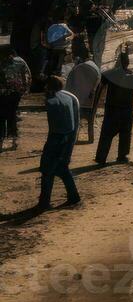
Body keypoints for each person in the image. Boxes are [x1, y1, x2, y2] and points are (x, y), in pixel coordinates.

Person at [94, 49, 133, 165]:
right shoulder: (132, 76)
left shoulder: (109, 74)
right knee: (125, 135)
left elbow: (98, 90)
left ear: (117, 62)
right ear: (128, 63)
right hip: (126, 111)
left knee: (106, 135)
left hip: (111, 110)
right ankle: (122, 157)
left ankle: (101, 158)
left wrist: (94, 108)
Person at [38, 75, 81, 209]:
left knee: (47, 171)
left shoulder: (51, 101)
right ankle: (73, 196)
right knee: (62, 168)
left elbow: (54, 124)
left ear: (49, 87)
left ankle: (44, 202)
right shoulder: (67, 97)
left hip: (56, 138)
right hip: (68, 136)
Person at [65, 54, 100, 144]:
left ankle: (72, 137)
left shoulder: (76, 70)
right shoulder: (95, 70)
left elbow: (68, 87)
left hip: (76, 104)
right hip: (90, 105)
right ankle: (89, 138)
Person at [1, 44, 29, 151]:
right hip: (15, 94)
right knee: (11, 115)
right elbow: (27, 77)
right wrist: (23, 90)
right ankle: (13, 140)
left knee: (3, 117)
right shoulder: (20, 62)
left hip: (7, 94)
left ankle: (5, 139)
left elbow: (26, 77)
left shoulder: (18, 62)